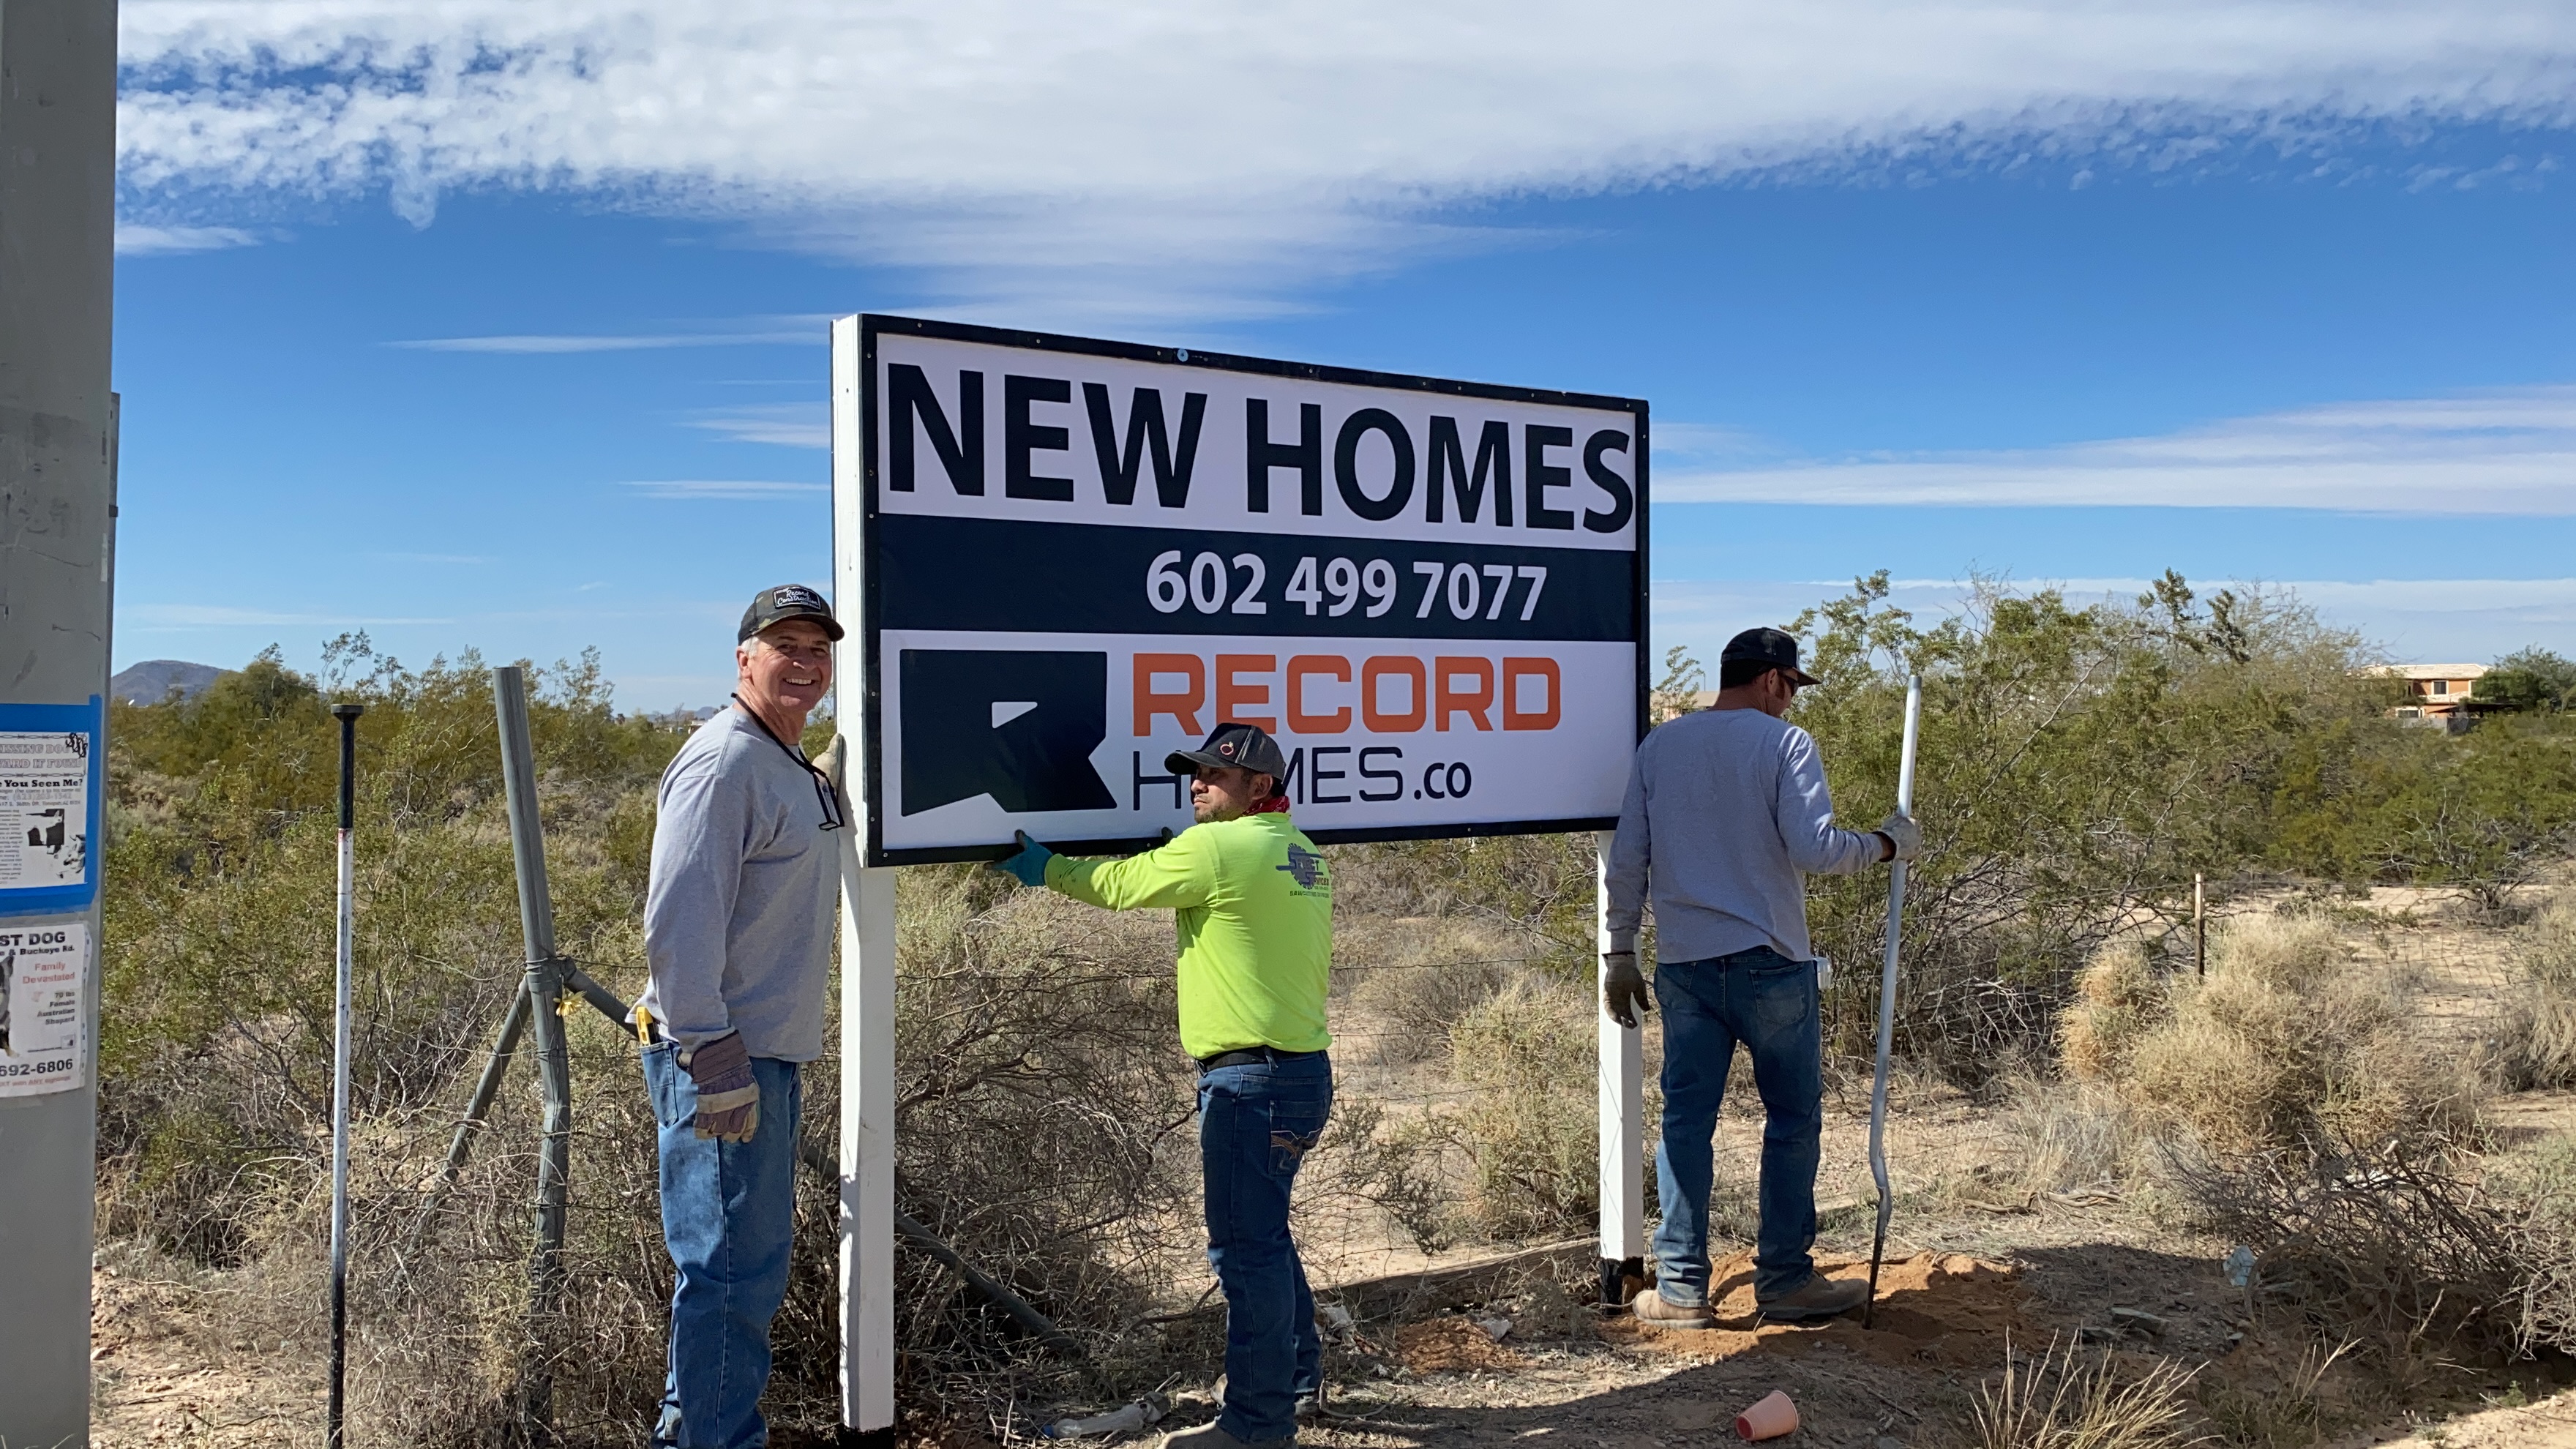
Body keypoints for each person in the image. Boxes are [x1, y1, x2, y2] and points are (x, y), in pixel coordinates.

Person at [992, 722, 1332, 1449]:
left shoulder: (1217, 848)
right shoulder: (1301, 852)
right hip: (1301, 1075)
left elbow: (1116, 886)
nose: (1197, 784)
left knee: (1245, 1253)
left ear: (1261, 787)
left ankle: (1255, 1425)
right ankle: (1295, 1383)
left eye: (1214, 775)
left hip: (1249, 1082)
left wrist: (1044, 867)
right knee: (1265, 1241)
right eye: (1195, 772)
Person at [1602, 626, 1921, 1328]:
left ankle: (1682, 1287)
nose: (1790, 702)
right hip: (1771, 961)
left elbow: (1629, 858)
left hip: (1685, 963)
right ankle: (1784, 1278)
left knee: (1685, 1122)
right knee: (1792, 1120)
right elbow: (1815, 849)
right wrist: (1889, 844)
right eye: (1791, 687)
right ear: (1775, 680)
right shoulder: (1786, 745)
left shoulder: (1661, 747)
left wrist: (1619, 951)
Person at [632, 584, 849, 1448]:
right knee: (729, 1274)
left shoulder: (782, 760)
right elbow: (678, 918)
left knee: (737, 1273)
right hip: (724, 1058)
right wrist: (711, 1058)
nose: (804, 662)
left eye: (817, 649)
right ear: (743, 657)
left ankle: (693, 1433)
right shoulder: (723, 762)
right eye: (784, 645)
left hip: (767, 1053)